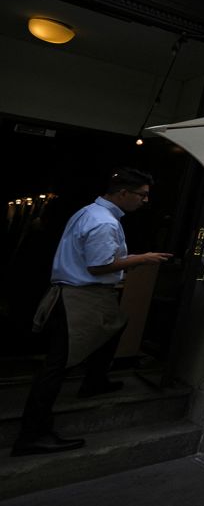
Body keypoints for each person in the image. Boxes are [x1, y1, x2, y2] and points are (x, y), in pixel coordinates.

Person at [12, 167, 172, 457]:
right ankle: (33, 434)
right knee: (56, 366)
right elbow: (98, 265)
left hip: (79, 294)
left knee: (116, 325)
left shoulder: (91, 213)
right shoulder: (103, 222)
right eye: (142, 195)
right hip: (80, 297)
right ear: (123, 193)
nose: (145, 201)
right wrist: (142, 258)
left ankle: (95, 381)